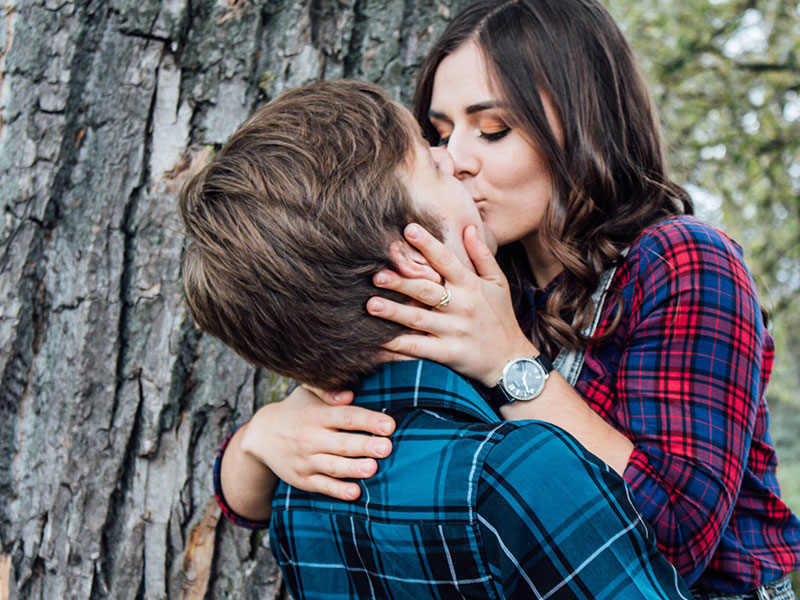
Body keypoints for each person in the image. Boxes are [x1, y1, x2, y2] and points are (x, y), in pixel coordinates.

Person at [215, 1, 800, 599]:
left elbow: (678, 537)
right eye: (439, 134)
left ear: (583, 123)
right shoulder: (470, 273)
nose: (457, 160)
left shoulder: (683, 261)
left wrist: (508, 363)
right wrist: (259, 440)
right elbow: (261, 498)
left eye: (492, 129)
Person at [181, 79, 692, 599]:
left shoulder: (296, 487)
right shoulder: (520, 471)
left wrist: (256, 440)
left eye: (492, 129)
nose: (451, 158)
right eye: (432, 158)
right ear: (411, 259)